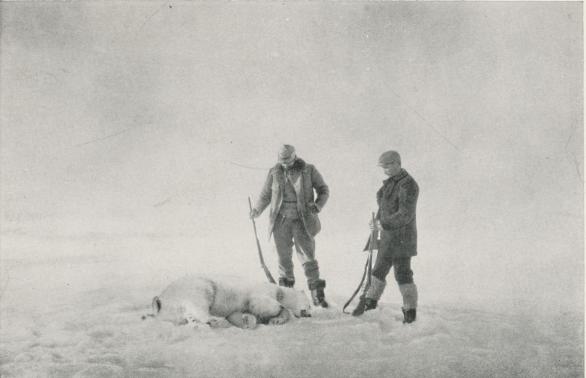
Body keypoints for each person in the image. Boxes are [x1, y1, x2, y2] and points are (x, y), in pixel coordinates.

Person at [250, 144, 330, 308]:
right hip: (281, 222)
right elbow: (266, 195)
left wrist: (318, 205)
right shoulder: (274, 172)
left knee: (308, 257)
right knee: (283, 258)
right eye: (282, 160)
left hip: (303, 221)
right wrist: (257, 210)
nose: (285, 163)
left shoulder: (309, 170)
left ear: (294, 156)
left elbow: (323, 189)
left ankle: (317, 296)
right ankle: (287, 296)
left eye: (287, 159)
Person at [352, 150, 419, 323]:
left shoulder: (408, 184)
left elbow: (405, 214)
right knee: (378, 271)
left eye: (388, 166)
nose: (385, 170)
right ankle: (369, 305)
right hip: (388, 238)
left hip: (403, 239)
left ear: (398, 163)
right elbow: (384, 207)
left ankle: (410, 313)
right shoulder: (390, 183)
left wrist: (383, 224)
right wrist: (376, 223)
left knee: (403, 275)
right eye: (383, 167)